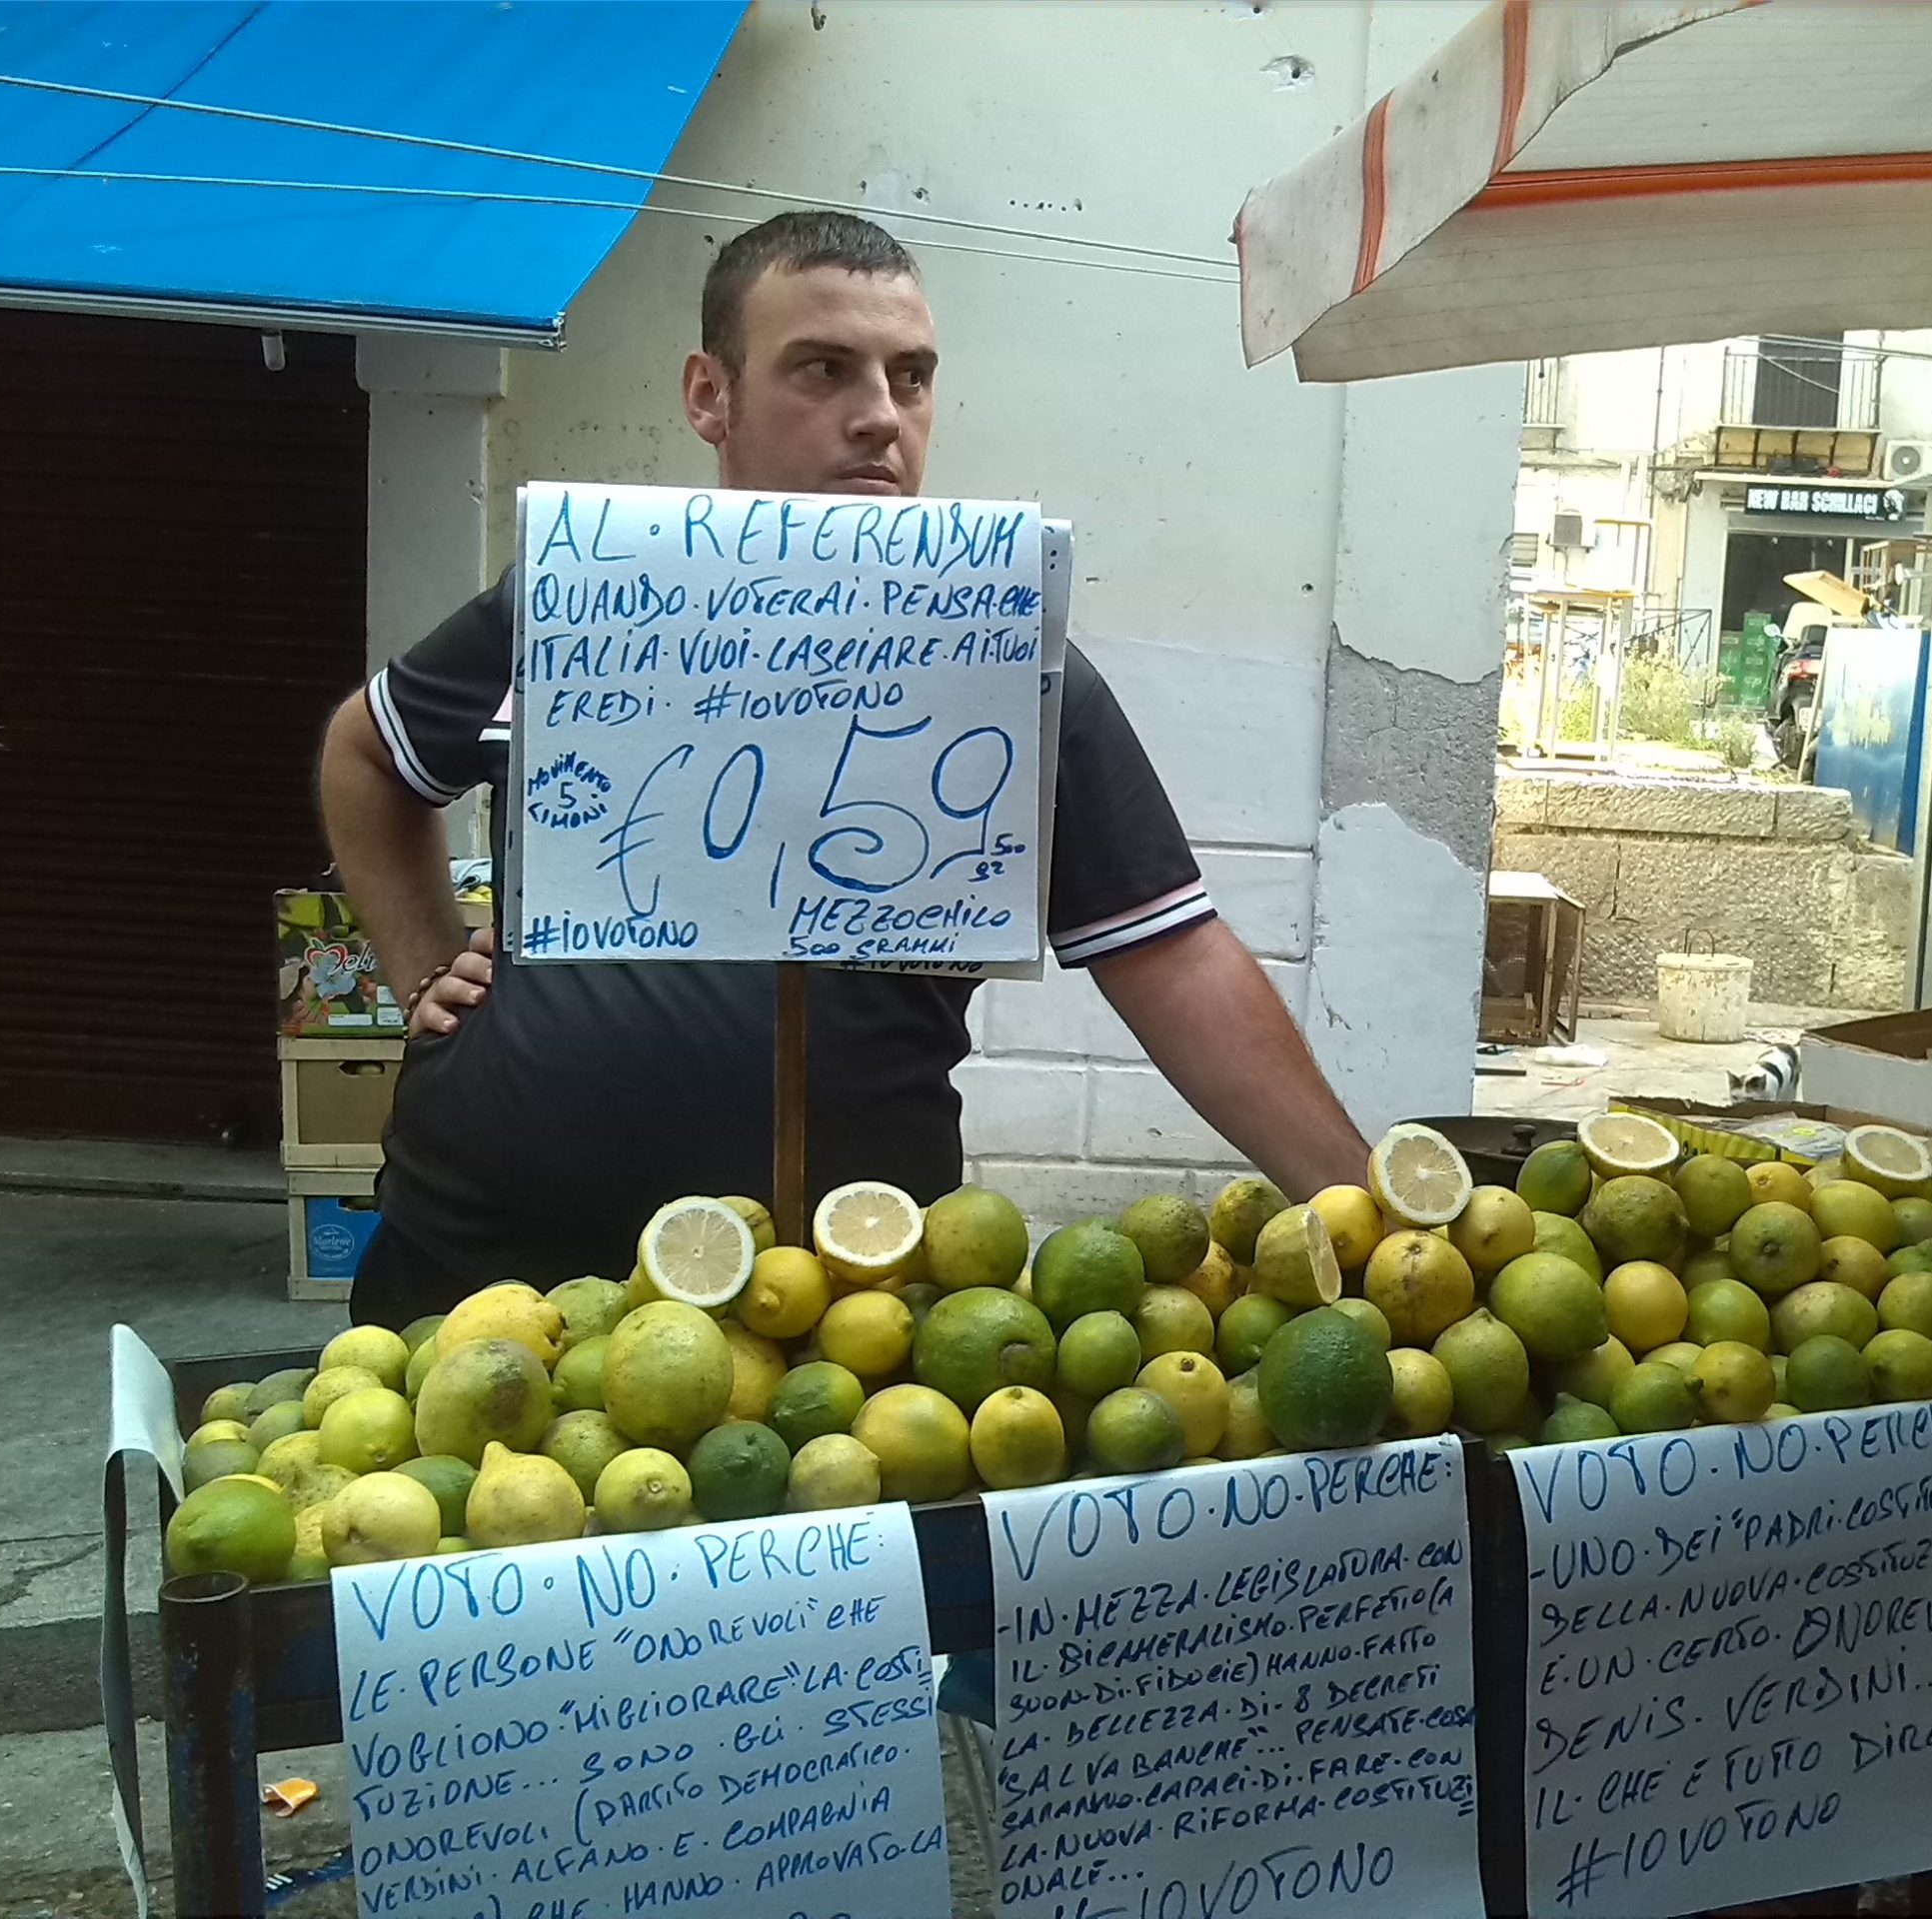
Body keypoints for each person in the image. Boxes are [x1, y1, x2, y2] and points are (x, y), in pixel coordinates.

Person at [317, 211, 1368, 1329]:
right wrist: (421, 966)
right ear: (709, 395)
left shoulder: (1008, 660)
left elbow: (1173, 953)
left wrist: (1377, 1222)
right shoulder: (576, 596)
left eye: (910, 377)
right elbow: (366, 752)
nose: (880, 415)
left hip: (840, 1309)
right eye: (823, 369)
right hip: (480, 1274)